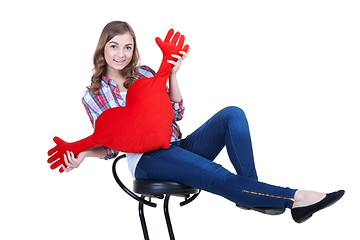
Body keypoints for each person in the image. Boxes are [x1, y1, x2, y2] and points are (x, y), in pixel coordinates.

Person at [62, 21, 344, 223]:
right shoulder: (96, 95)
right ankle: (297, 198)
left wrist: (172, 74)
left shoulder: (147, 74)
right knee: (217, 175)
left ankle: (250, 189)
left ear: (134, 49)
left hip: (176, 144)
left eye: (127, 47)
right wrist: (84, 154)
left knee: (232, 114)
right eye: (114, 46)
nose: (121, 54)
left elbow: (176, 113)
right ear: (103, 49)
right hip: (148, 159)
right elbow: (109, 144)